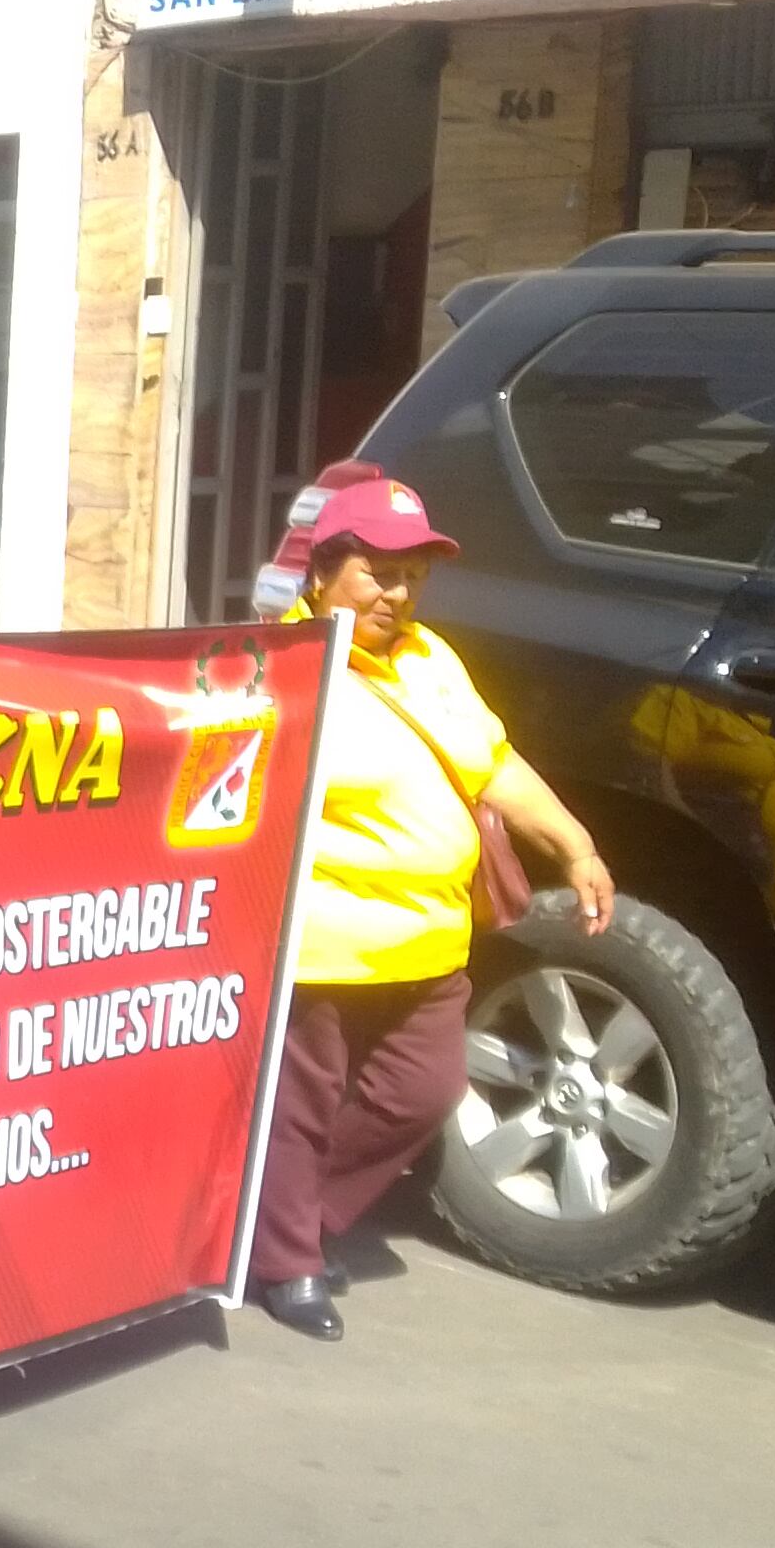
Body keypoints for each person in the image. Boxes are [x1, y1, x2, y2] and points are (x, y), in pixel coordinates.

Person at [249, 474, 614, 1342]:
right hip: (323, 941)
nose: (397, 593)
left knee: (425, 1092)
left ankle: (288, 1219)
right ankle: (287, 1260)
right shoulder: (277, 669)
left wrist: (575, 845)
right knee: (302, 1106)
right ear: (322, 572)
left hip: (431, 938)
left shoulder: (431, 659)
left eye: (412, 575)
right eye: (376, 573)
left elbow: (493, 764)